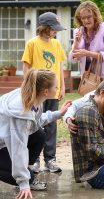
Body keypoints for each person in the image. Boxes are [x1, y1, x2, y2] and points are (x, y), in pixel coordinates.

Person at [0, 69, 71, 199]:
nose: (58, 88)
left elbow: (35, 122)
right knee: (28, 178)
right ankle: (19, 173)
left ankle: (19, 170)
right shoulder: (20, 112)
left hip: (4, 140)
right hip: (4, 144)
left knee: (39, 135)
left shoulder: (32, 97)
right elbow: (18, 148)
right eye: (56, 86)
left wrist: (58, 113)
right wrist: (23, 182)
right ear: (45, 91)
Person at [22, 12, 67, 173]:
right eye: (53, 29)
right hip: (37, 93)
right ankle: (33, 160)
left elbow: (60, 66)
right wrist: (28, 87)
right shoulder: (32, 43)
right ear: (45, 28)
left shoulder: (56, 44)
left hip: (53, 92)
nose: (56, 32)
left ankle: (50, 160)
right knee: (34, 125)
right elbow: (26, 67)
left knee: (51, 126)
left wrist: (62, 87)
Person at [69, 0, 104, 79]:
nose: (86, 21)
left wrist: (87, 53)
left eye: (89, 17)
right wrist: (76, 43)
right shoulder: (78, 31)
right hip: (89, 79)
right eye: (83, 18)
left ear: (95, 16)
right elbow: (73, 60)